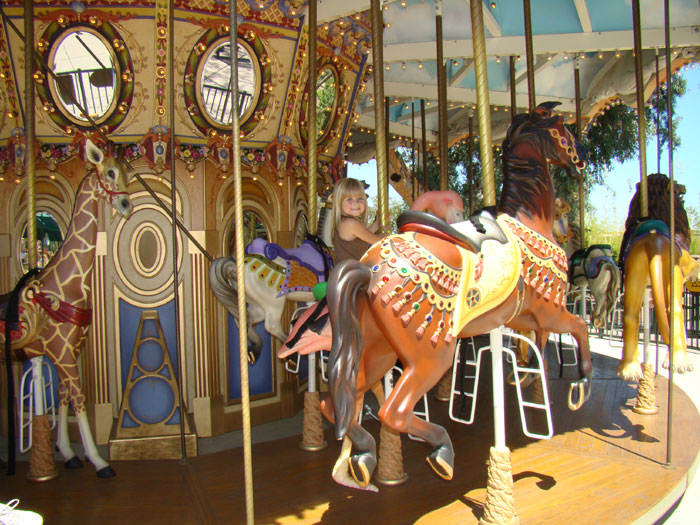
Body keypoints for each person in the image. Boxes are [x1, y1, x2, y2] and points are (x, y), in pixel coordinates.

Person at [330, 177, 385, 265]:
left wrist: (378, 222)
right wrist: (387, 233)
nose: (356, 203)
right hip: (352, 272)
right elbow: (380, 242)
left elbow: (365, 235)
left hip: (352, 270)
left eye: (360, 198)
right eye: (349, 199)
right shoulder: (350, 223)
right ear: (339, 202)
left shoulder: (345, 222)